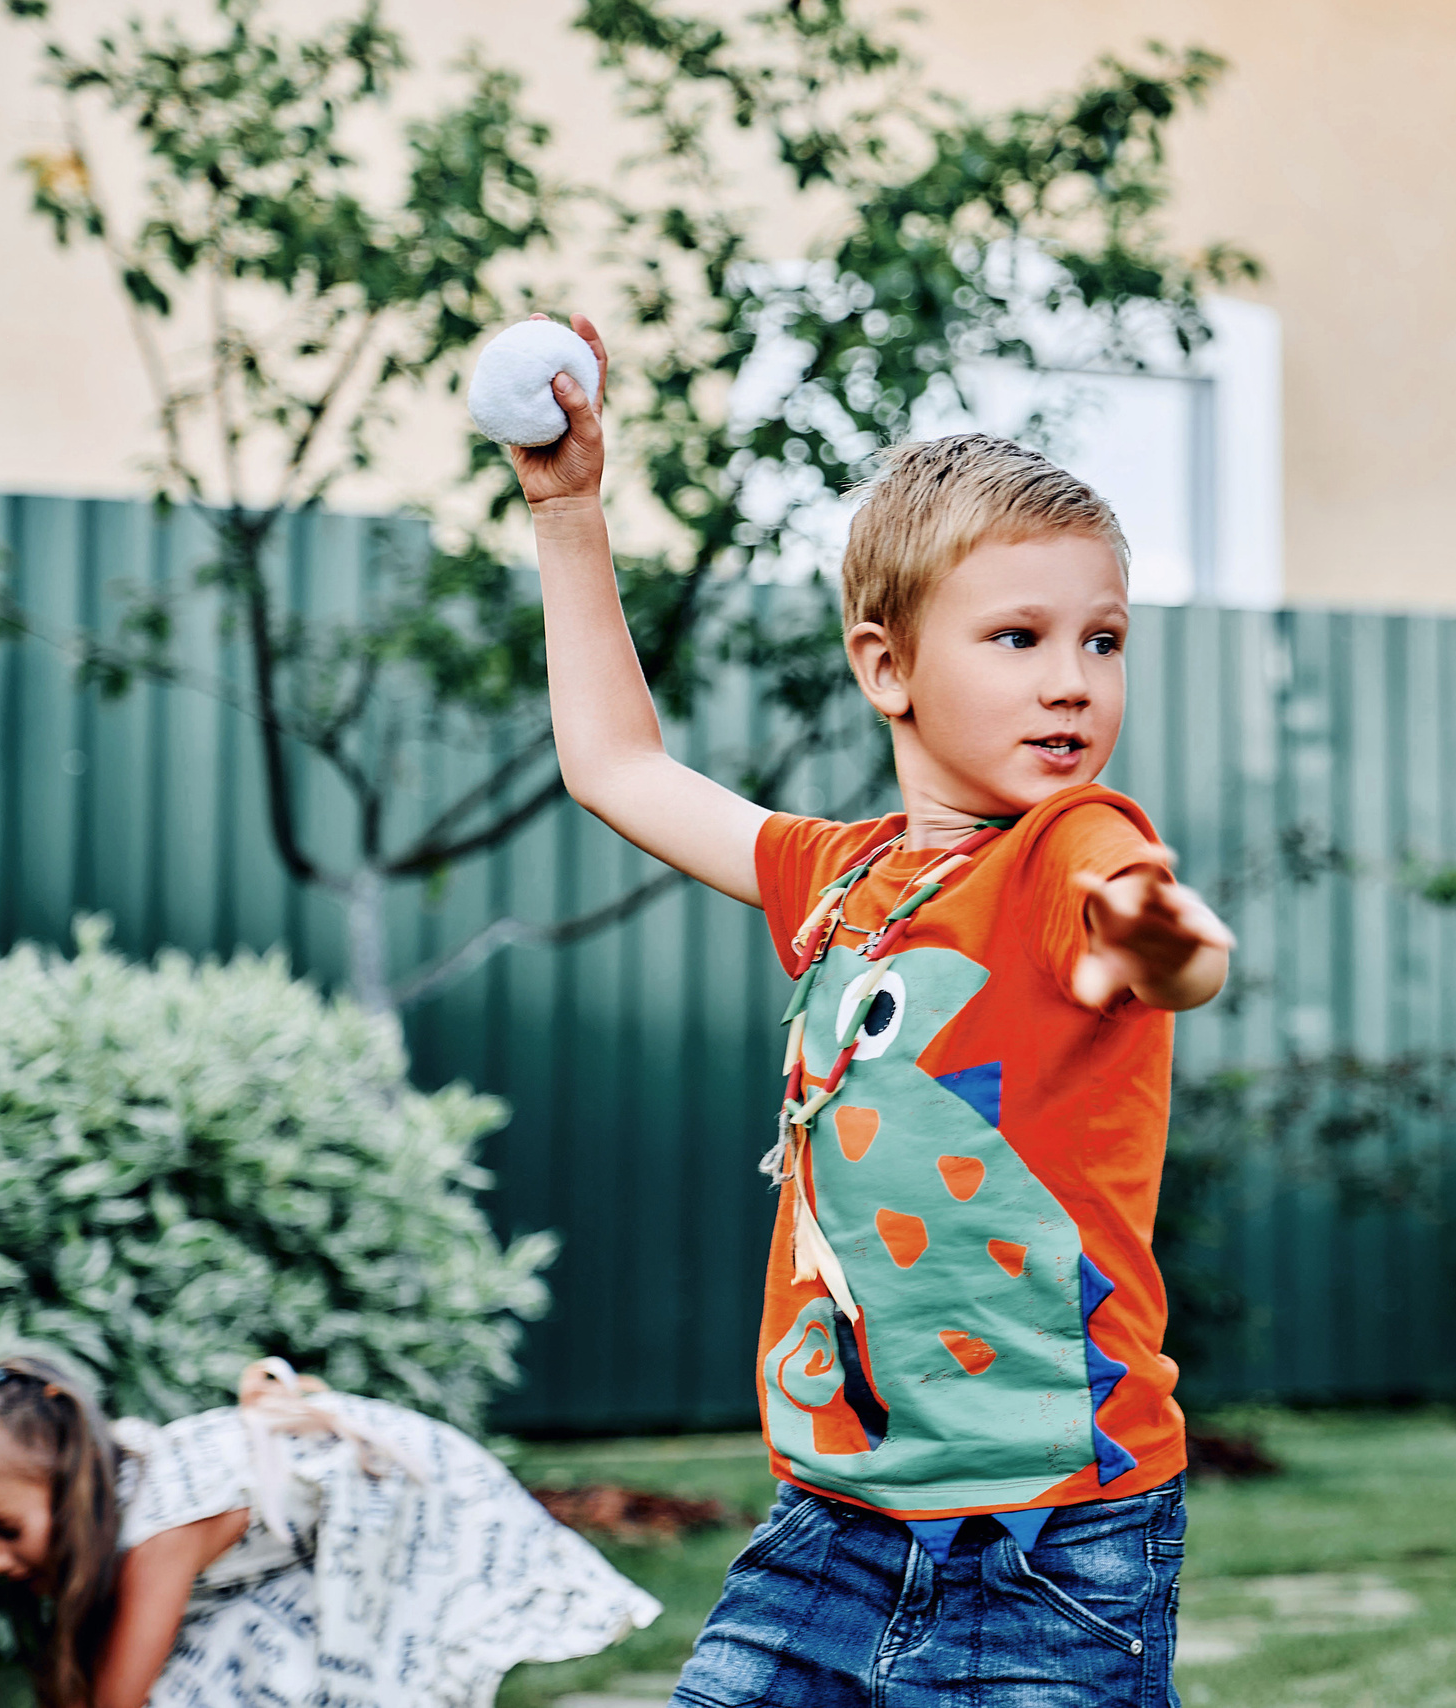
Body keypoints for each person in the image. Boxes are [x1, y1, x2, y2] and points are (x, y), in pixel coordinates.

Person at [510, 314, 1233, 1706]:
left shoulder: (1072, 845)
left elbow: (1154, 947)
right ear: (887, 666)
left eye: (1102, 640)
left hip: (1055, 1547)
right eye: (1019, 637)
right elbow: (615, 764)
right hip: (829, 1525)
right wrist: (570, 511)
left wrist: (1167, 942)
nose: (1073, 679)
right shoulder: (835, 881)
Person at [0, 1353, 660, 1708]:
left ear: (74, 1474)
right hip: (327, 1531)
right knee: (223, 1668)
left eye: (3, 1528)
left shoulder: (159, 1532)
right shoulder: (131, 1496)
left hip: (410, 1504)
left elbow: (116, 1700)